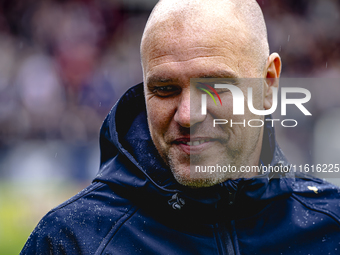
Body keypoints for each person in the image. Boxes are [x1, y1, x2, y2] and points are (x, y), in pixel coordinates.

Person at [21, 0, 340, 254]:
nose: (187, 115)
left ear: (268, 84)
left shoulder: (332, 226)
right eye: (164, 89)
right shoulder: (71, 241)